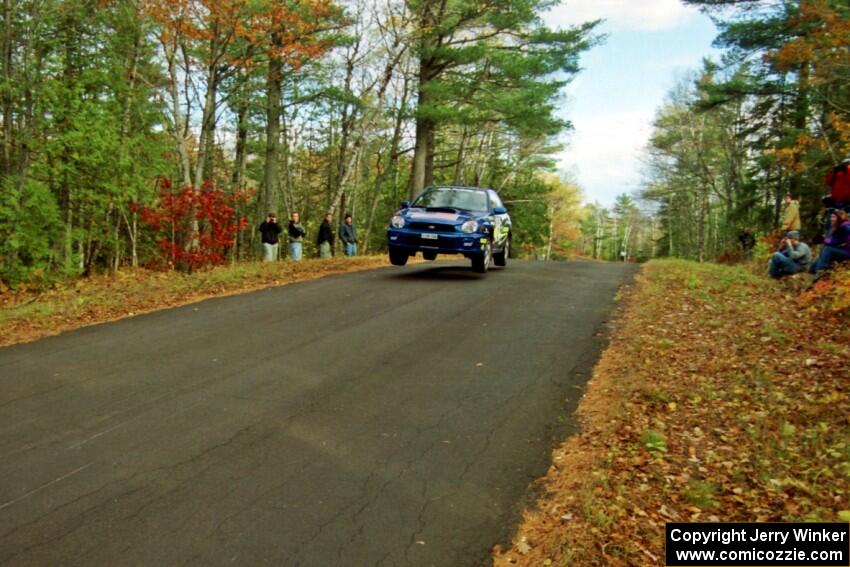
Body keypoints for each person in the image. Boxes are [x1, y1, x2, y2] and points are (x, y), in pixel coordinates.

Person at [810, 210, 850, 274]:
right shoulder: (838, 227)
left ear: (839, 218)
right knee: (826, 248)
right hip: (845, 250)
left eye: (834, 217)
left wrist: (846, 244)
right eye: (831, 217)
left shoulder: (845, 227)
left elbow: (836, 241)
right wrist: (823, 240)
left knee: (827, 249)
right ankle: (813, 269)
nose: (831, 219)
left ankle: (820, 270)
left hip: (848, 252)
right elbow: (833, 240)